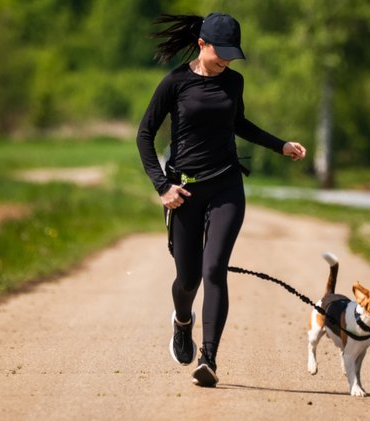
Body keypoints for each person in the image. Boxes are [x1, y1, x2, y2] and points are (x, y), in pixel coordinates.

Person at [136, 12, 306, 387]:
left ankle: (208, 359)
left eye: (233, 52)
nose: (227, 59)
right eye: (221, 52)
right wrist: (163, 187)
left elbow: (238, 124)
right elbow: (144, 135)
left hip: (227, 186)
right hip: (184, 192)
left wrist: (281, 145)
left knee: (214, 270)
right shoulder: (176, 83)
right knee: (188, 278)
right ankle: (182, 321)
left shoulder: (234, 83)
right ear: (202, 44)